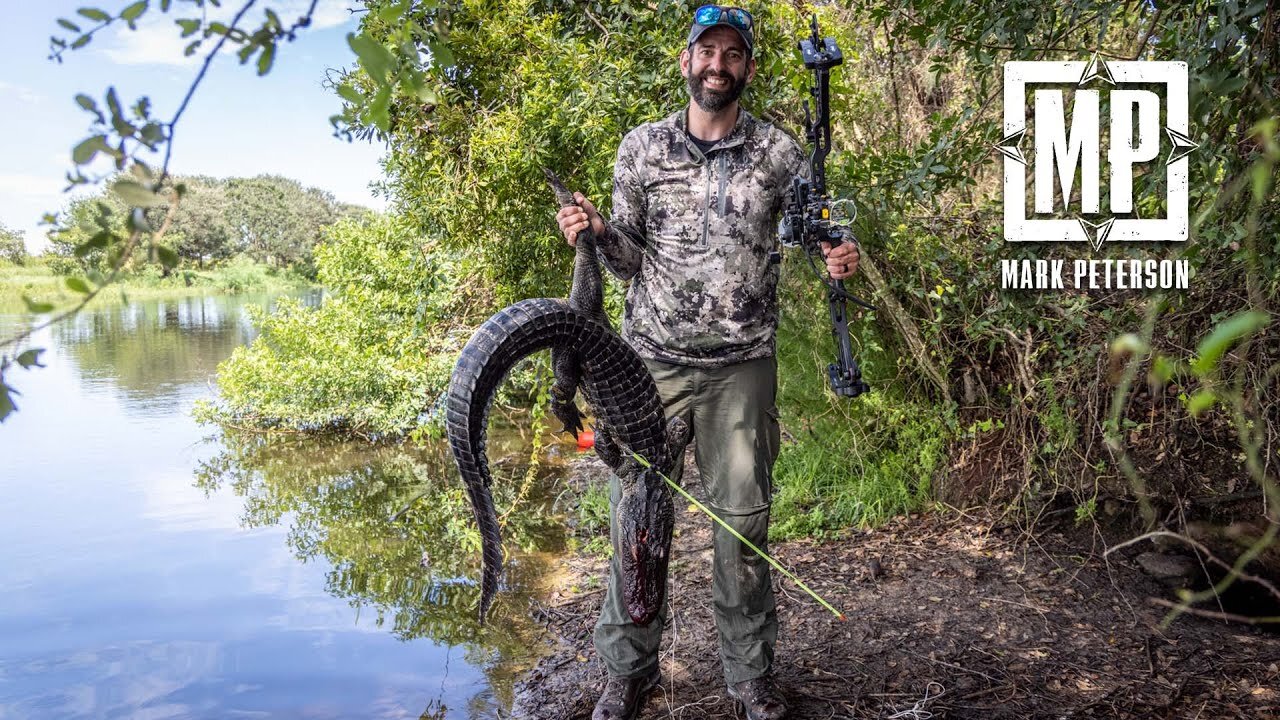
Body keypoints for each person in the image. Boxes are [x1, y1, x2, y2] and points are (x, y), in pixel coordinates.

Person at [556, 6, 860, 720]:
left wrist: (840, 256)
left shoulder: (782, 154)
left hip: (742, 368)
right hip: (649, 365)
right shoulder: (642, 148)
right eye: (707, 51)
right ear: (686, 60)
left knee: (743, 525)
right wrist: (597, 230)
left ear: (747, 67)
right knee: (637, 519)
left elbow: (818, 235)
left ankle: (749, 676)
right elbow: (628, 261)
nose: (717, 64)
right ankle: (626, 671)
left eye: (732, 53)